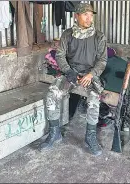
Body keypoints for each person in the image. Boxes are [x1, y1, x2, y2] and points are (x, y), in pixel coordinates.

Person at [39, 3, 107, 156]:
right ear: (76, 16)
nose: (89, 18)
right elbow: (60, 55)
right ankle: (54, 131)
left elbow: (102, 61)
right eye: (85, 15)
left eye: (91, 15)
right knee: (52, 94)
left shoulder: (99, 36)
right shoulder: (68, 34)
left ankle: (90, 136)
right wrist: (68, 71)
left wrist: (91, 74)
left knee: (94, 99)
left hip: (90, 74)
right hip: (71, 72)